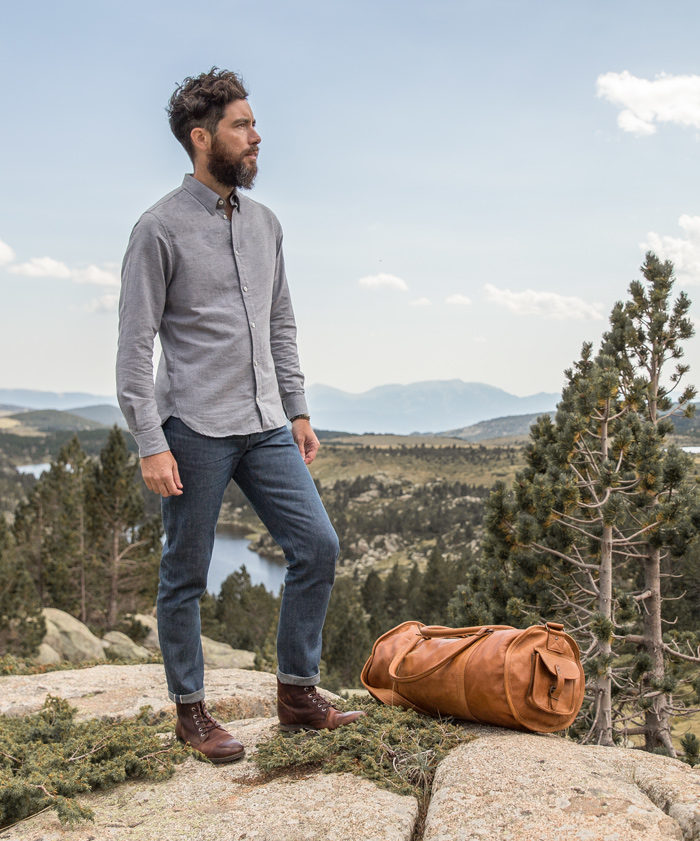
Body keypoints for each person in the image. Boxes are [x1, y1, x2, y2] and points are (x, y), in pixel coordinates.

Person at [116, 68, 363, 763]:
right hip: (191, 427)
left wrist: (299, 407)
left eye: (253, 124)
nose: (256, 137)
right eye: (241, 126)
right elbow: (135, 345)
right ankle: (191, 712)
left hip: (264, 423)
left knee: (318, 546)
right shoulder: (158, 229)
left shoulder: (267, 225)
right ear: (202, 138)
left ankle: (296, 694)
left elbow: (280, 323)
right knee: (185, 574)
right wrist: (148, 441)